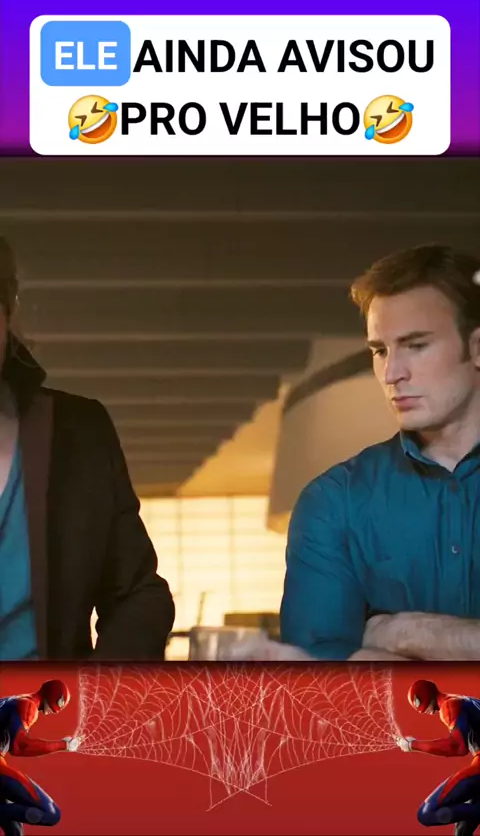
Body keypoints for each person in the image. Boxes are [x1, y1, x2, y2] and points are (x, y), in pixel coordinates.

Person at [228, 243, 480, 661]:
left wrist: (407, 633)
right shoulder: (333, 501)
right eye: (380, 351)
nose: (392, 373)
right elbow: (321, 681)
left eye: (416, 345)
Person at [0, 237, 174, 660]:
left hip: (54, 698)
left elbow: (139, 594)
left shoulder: (78, 431)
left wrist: (95, 692)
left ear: (7, 312)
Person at [397, 679, 480, 836]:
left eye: (419, 704)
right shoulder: (467, 700)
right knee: (462, 831)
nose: (421, 711)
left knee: (427, 813)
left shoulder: (449, 705)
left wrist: (413, 745)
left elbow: (457, 746)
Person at [0, 679, 81, 836]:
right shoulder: (28, 705)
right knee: (51, 813)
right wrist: (63, 745)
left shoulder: (11, 700)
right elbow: (19, 746)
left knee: (15, 831)